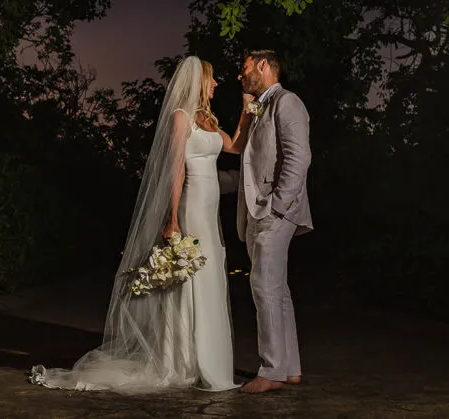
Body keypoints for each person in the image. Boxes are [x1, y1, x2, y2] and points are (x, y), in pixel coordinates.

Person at [29, 56, 245, 394]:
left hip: (210, 209)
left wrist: (248, 110)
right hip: (191, 206)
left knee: (209, 274)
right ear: (198, 81)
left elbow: (234, 145)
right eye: (212, 79)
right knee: (189, 279)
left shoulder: (207, 119)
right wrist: (172, 218)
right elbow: (176, 170)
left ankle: (209, 358)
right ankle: (184, 359)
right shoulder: (181, 118)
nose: (216, 84)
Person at [231, 49, 313, 394]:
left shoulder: (287, 101)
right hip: (259, 210)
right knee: (277, 291)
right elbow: (247, 159)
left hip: (276, 211)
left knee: (263, 286)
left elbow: (299, 157)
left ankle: (271, 371)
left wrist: (277, 206)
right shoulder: (260, 105)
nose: (240, 74)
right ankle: (290, 367)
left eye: (245, 67)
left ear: (264, 65)